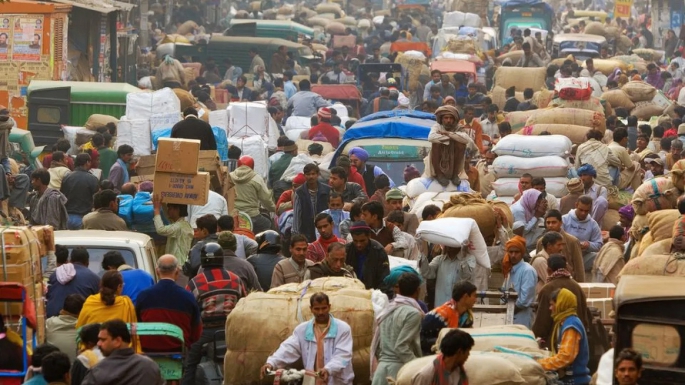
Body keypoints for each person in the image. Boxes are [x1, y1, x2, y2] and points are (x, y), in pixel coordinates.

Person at [185, 243, 246, 384]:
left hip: (204, 333)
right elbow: (244, 304)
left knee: (190, 365)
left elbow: (189, 309)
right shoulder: (235, 279)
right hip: (230, 332)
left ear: (203, 260)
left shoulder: (195, 283)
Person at [261, 292, 354, 384]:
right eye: (317, 309)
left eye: (324, 308)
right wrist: (271, 363)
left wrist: (328, 369)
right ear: (311, 309)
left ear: (329, 307)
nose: (320, 312)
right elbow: (288, 348)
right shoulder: (302, 330)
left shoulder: (343, 329)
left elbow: (343, 355)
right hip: (313, 381)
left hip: (337, 381)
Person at [136, 255, 202, 353]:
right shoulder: (187, 297)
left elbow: (138, 325)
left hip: (148, 352)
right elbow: (196, 332)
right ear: (177, 272)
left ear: (157, 271)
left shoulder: (143, 296)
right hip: (179, 352)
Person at [371, 273, 423, 385]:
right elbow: (401, 347)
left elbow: (378, 347)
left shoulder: (387, 310)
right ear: (418, 290)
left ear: (398, 289)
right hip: (399, 372)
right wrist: (419, 367)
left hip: (381, 371)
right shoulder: (413, 313)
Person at [533, 255, 590, 351]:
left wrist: (535, 335)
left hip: (555, 341)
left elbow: (542, 320)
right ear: (566, 268)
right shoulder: (577, 286)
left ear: (549, 270)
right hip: (578, 338)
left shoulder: (547, 289)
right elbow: (584, 314)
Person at [536, 288, 592, 385]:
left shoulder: (571, 326)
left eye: (552, 304)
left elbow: (565, 357)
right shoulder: (565, 322)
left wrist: (538, 364)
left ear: (561, 304)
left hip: (575, 380)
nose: (550, 308)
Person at [81, 320, 164, 385]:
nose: (98, 343)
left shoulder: (98, 371)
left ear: (117, 341)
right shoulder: (149, 366)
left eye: (103, 340)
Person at [420, 281, 476, 355]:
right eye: (474, 296)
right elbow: (422, 340)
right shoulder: (438, 316)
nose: (476, 300)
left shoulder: (466, 317)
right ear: (465, 297)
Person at [427, 105, 477, 187]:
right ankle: (439, 174)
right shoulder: (437, 126)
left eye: (451, 118)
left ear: (454, 119)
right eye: (446, 118)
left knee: (461, 144)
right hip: (440, 159)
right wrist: (453, 138)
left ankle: (454, 175)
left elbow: (466, 140)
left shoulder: (459, 127)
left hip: (454, 158)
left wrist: (448, 134)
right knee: (436, 143)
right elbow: (431, 137)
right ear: (442, 119)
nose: (448, 120)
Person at [46, 248, 100, 318]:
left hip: (53, 321)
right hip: (79, 322)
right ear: (87, 263)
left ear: (70, 261)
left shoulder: (56, 274)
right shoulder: (95, 279)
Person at [537, 210, 586, 282]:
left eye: (554, 222)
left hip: (569, 282)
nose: (550, 225)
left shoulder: (572, 241)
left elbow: (579, 268)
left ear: (560, 223)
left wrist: (580, 286)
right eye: (548, 223)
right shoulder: (541, 242)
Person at [562, 195, 603, 275]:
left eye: (586, 211)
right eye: (581, 210)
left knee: (599, 257)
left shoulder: (593, 224)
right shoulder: (564, 219)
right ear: (576, 205)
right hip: (565, 256)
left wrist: (588, 245)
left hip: (582, 257)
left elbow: (599, 244)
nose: (583, 213)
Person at [502, 235, 537, 328]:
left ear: (522, 253)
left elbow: (524, 300)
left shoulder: (527, 270)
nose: (513, 255)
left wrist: (509, 311)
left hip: (521, 319)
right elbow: (503, 293)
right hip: (507, 317)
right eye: (511, 252)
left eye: (516, 252)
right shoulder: (508, 269)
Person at [345, 221, 390, 289]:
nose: (358, 245)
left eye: (362, 241)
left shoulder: (379, 251)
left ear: (369, 236)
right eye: (355, 241)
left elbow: (384, 279)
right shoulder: (347, 250)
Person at [293, 163, 331, 242]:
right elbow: (297, 215)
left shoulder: (327, 190)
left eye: (313, 174)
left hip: (324, 231)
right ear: (304, 176)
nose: (311, 176)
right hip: (307, 233)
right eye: (308, 174)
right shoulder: (299, 192)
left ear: (318, 175)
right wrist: (297, 235)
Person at [60, 153, 98, 230]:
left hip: (67, 217)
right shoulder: (92, 179)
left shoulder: (66, 177)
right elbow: (96, 199)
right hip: (83, 217)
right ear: (87, 162)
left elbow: (62, 196)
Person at [153, 196, 193, 265]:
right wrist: (162, 204)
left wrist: (156, 210)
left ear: (177, 210)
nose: (168, 211)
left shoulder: (178, 227)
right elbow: (168, 215)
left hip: (178, 265)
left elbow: (160, 229)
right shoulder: (183, 224)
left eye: (170, 209)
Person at [46, 294, 85, 362]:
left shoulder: (49, 323)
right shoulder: (85, 328)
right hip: (76, 370)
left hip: (53, 368)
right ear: (82, 311)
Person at [183, 214, 220, 278]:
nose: (197, 232)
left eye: (198, 230)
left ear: (204, 231)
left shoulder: (198, 247)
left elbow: (187, 269)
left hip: (201, 282)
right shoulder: (223, 243)